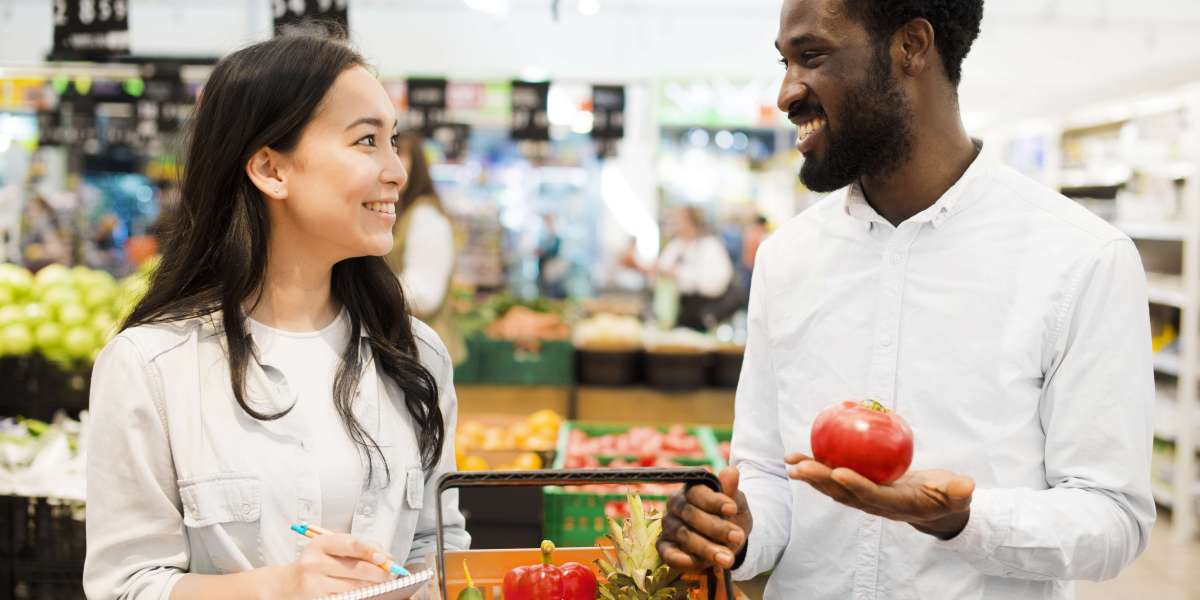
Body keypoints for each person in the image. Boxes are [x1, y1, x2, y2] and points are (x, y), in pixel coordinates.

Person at [658, 1, 1154, 599]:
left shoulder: (1082, 258)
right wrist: (738, 529)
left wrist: (961, 519)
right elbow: (767, 471)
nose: (788, 92)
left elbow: (1113, 517)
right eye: (784, 63)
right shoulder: (787, 258)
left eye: (811, 56)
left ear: (912, 46)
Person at [83, 33, 469, 600]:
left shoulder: (415, 354)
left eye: (394, 142)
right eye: (366, 141)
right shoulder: (152, 366)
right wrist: (282, 587)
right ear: (271, 169)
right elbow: (126, 586)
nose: (396, 172)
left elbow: (438, 547)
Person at [385, 130, 465, 365]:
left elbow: (424, 294)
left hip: (420, 353)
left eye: (398, 153)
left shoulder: (425, 216)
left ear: (416, 164)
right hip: (404, 348)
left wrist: (367, 290)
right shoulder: (401, 213)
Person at [656, 205, 736, 331]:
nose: (673, 223)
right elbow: (661, 269)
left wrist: (678, 274)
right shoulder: (675, 246)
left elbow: (716, 284)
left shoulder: (711, 246)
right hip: (678, 312)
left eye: (678, 219)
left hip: (703, 314)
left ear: (691, 222)